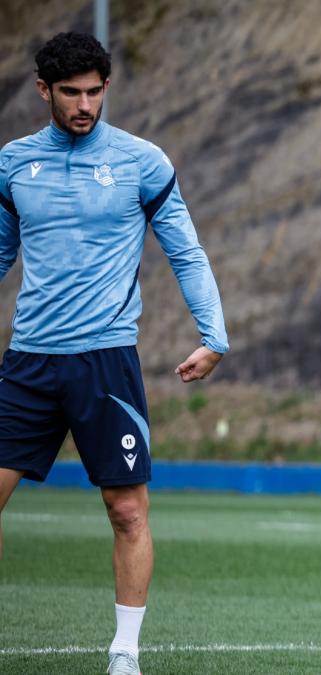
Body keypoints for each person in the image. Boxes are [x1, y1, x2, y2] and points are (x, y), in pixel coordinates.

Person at [0, 32, 228, 675]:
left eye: (95, 92)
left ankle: (124, 654)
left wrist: (214, 335)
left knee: (126, 509)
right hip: (29, 361)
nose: (84, 105)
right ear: (43, 91)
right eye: (70, 93)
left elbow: (185, 249)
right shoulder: (13, 164)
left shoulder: (141, 162)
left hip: (106, 361)